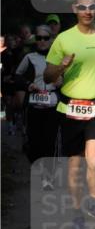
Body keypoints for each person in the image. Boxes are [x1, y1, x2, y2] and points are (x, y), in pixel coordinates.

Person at [44, 0, 95, 229]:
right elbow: (47, 76)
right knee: (75, 167)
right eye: (82, 7)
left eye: (92, 7)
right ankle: (77, 213)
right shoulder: (63, 39)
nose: (87, 11)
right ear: (74, 9)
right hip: (70, 108)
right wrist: (61, 66)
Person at [14, 25, 61, 188]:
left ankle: (48, 178)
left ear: (51, 40)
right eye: (39, 38)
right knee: (33, 145)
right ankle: (40, 170)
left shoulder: (59, 59)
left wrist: (61, 83)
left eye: (45, 38)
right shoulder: (29, 57)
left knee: (49, 142)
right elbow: (17, 76)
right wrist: (28, 85)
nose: (42, 41)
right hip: (34, 106)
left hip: (53, 107)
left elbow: (69, 80)